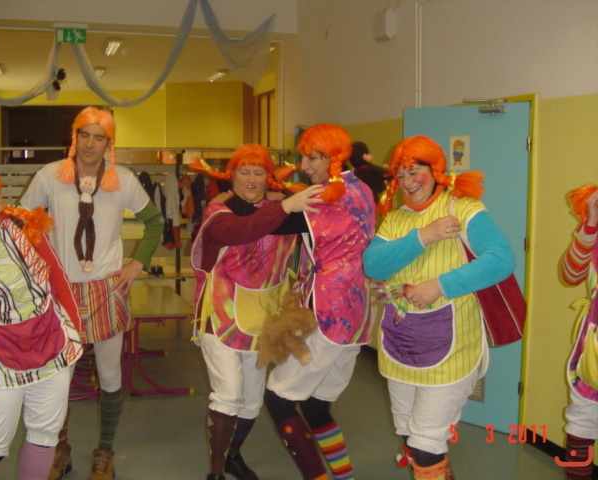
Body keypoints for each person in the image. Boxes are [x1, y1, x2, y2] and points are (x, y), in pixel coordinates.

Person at [21, 106, 164, 480]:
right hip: (60, 291)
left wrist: (138, 263)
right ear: (74, 137)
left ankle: (105, 453)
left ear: (108, 143)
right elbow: (22, 224)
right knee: (58, 380)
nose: (89, 144)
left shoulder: (123, 179)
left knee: (110, 376)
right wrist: (38, 269)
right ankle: (60, 450)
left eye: (98, 137)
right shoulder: (49, 176)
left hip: (106, 289)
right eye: (84, 134)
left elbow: (155, 221)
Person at [362, 135, 515, 480]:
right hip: (399, 345)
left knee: (426, 443)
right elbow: (373, 265)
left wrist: (440, 286)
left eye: (414, 171)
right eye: (400, 175)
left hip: (451, 346)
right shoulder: (396, 219)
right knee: (408, 434)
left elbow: (501, 259)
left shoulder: (462, 208)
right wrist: (423, 237)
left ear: (436, 170)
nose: (407, 182)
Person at [190, 144, 323, 480]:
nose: (251, 179)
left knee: (251, 400)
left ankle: (232, 456)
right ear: (231, 175)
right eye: (244, 171)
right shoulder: (217, 212)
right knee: (228, 394)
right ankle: (216, 473)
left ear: (268, 177)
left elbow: (320, 221)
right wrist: (286, 205)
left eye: (259, 172)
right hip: (220, 316)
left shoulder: (278, 209)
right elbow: (244, 230)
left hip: (265, 319)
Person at [263, 124, 376, 480]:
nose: (304, 165)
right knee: (315, 406)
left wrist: (251, 206)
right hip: (355, 314)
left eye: (313, 158)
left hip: (330, 312)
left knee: (278, 398)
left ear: (333, 158)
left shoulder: (333, 194)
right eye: (303, 157)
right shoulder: (360, 187)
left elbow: (278, 225)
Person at [0, 162, 83, 480]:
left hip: (52, 346)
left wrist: (74, 333)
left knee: (44, 437)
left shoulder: (22, 224)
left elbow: (57, 278)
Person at [560, 185, 598, 480]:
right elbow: (570, 274)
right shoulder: (592, 232)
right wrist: (591, 224)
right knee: (584, 417)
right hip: (595, 345)